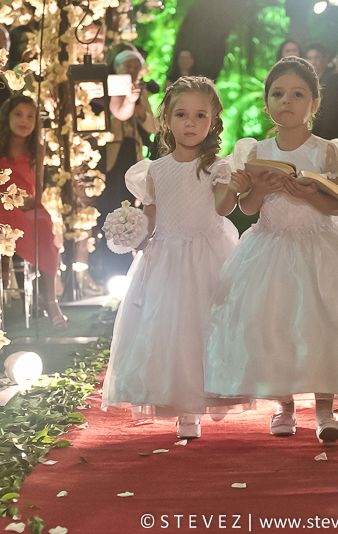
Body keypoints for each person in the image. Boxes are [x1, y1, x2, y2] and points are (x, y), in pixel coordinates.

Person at [203, 56, 338, 442]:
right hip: (270, 246)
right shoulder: (256, 151)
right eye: (278, 94)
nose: (287, 101)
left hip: (319, 245)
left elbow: (336, 205)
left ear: (314, 104)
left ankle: (325, 410)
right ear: (266, 103)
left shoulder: (328, 152)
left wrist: (311, 193)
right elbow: (248, 209)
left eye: (298, 94)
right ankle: (283, 406)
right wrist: (259, 188)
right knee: (274, 324)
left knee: (325, 324)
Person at [101, 77, 239, 439]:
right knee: (172, 332)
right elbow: (152, 216)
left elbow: (223, 208)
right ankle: (184, 408)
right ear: (166, 119)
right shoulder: (155, 170)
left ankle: (208, 396)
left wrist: (235, 188)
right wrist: (133, 231)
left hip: (208, 255)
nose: (190, 123)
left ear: (213, 121)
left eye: (200, 115)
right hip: (166, 258)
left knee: (204, 328)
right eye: (181, 115)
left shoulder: (217, 167)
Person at [0, 95, 67, 330]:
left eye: (30, 117)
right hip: (0, 205)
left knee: (45, 224)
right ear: (7, 117)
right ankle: (5, 277)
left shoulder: (37, 149)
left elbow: (39, 190)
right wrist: (8, 200)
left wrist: (29, 202)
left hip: (29, 206)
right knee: (8, 217)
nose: (24, 121)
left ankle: (50, 300)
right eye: (18, 114)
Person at [88, 49, 156, 283]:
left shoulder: (140, 90)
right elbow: (110, 116)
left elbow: (152, 126)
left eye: (136, 67)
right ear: (117, 67)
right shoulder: (104, 87)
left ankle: (125, 264)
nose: (133, 71)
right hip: (108, 156)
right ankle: (108, 263)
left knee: (128, 207)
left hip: (131, 155)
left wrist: (142, 111)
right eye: (128, 66)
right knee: (108, 206)